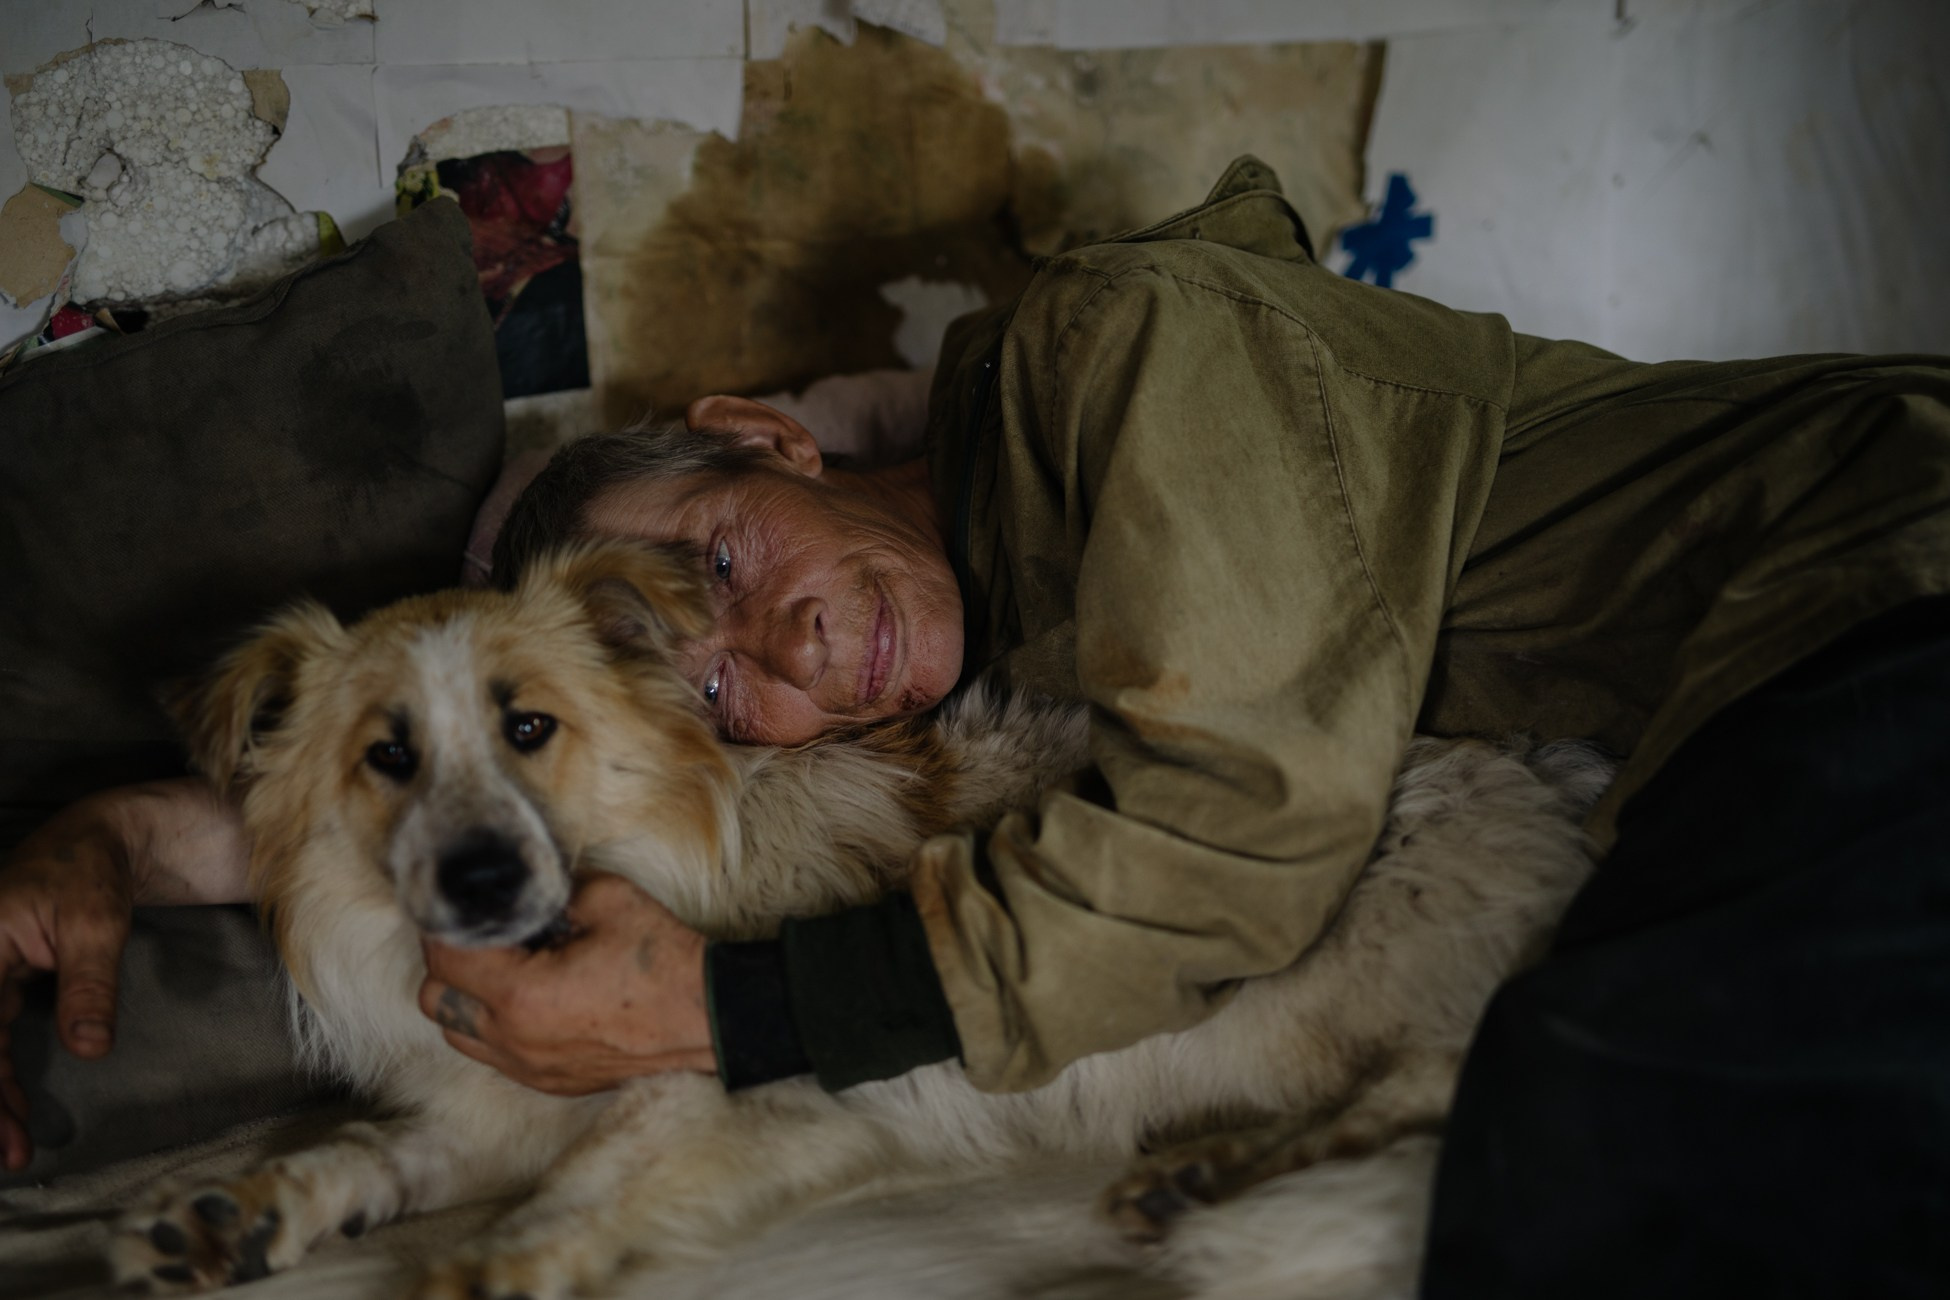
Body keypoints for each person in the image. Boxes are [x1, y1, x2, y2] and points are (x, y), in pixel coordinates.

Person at [3, 154, 1948, 1296]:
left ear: (772, 437)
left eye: (723, 557)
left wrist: (737, 1012)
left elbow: (1235, 831)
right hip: (1709, 746)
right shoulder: (1004, 631)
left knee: (1661, 1122)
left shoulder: (1122, 355)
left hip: (1880, 603)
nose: (773, 658)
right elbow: (423, 793)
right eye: (720, 688)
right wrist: (119, 832)